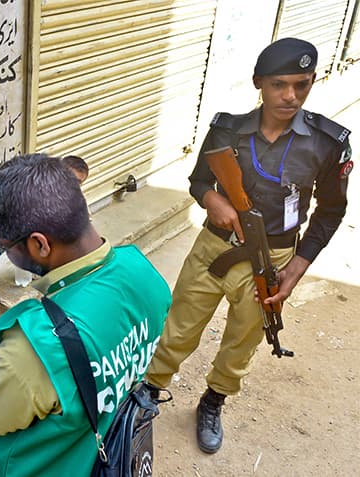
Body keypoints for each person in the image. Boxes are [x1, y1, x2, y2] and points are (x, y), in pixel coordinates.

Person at [145, 37, 352, 454]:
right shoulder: (227, 129)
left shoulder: (327, 144)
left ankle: (213, 400)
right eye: (279, 84)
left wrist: (297, 268)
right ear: (259, 83)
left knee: (244, 339)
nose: (290, 96)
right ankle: (149, 391)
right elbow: (199, 180)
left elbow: (330, 211)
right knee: (180, 324)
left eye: (302, 84)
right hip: (214, 248)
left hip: (273, 258)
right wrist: (213, 199)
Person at [0, 154, 172, 476]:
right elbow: (95, 345)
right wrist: (5, 335)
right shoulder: (143, 272)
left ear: (39, 244)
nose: (4, 255)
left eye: (2, 247)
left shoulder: (33, 350)